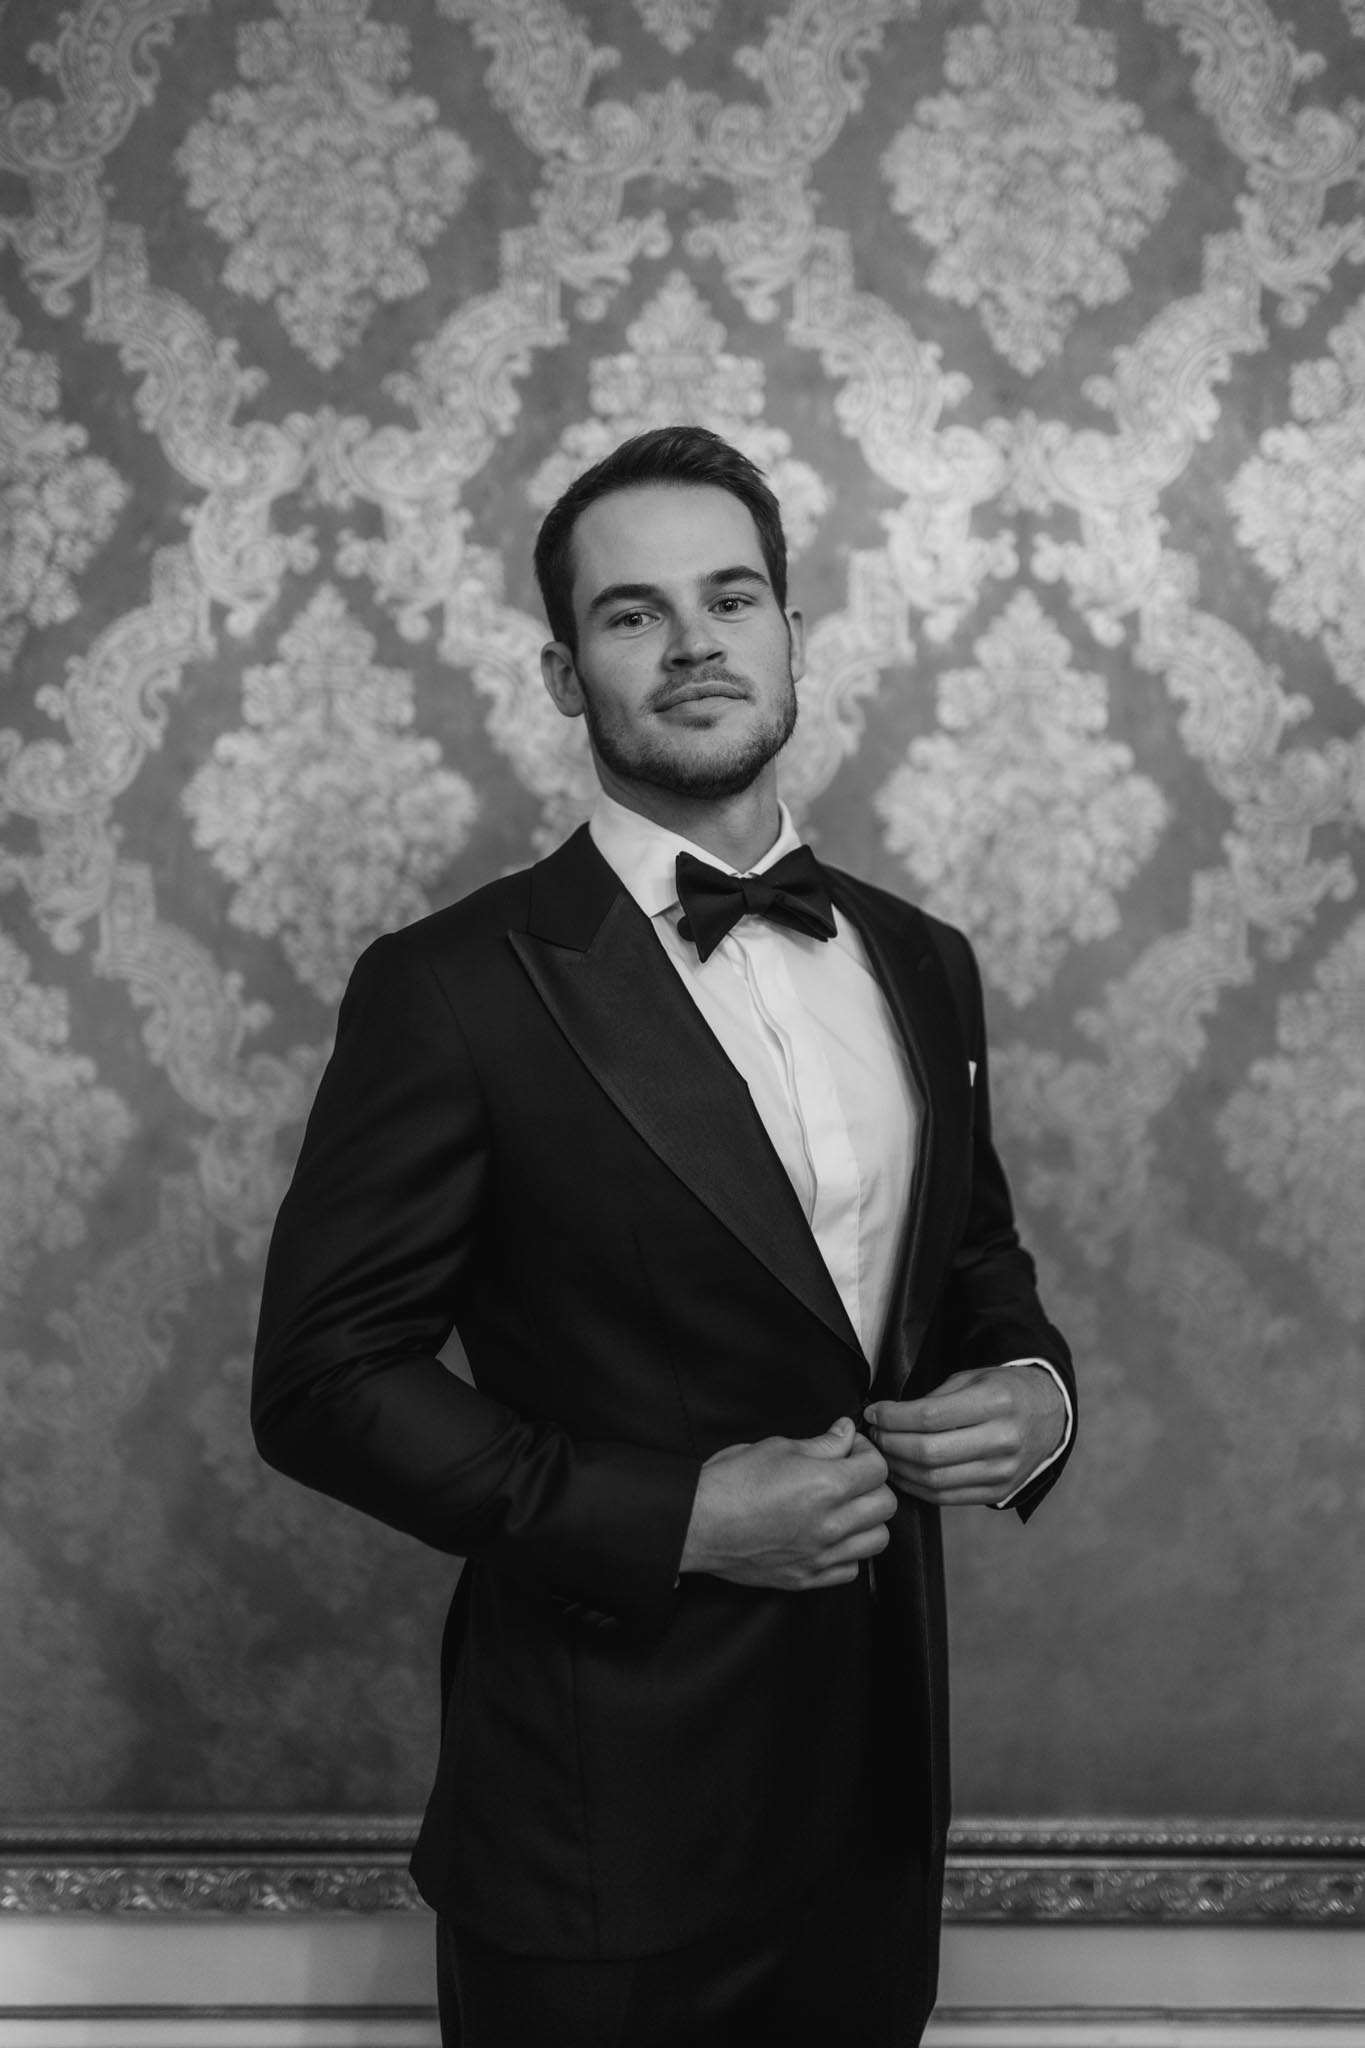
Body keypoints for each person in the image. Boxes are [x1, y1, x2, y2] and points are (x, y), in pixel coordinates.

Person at [251, 425, 1076, 2047]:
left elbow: (970, 1267)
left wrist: (1038, 1394)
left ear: (788, 633)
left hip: (872, 1809)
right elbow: (323, 1380)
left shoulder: (921, 961)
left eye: (733, 597)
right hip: (593, 1828)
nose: (694, 642)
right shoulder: (452, 987)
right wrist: (673, 1520)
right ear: (565, 676)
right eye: (633, 614)